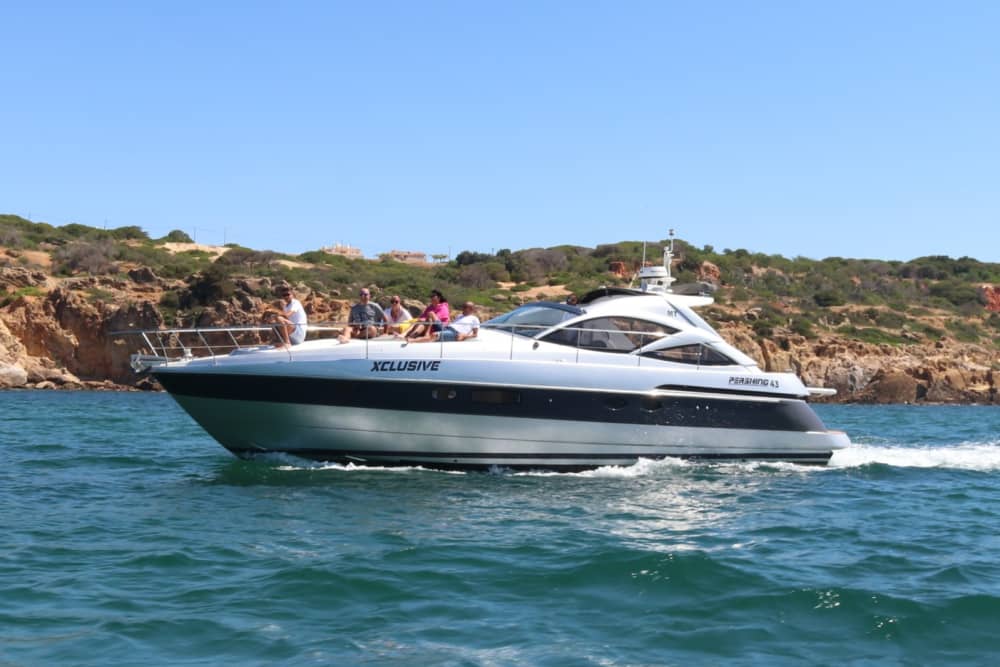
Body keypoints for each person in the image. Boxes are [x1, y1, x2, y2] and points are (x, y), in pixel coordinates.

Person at [411, 301, 479, 343]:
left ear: (471, 309)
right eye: (463, 306)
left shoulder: (474, 318)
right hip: (446, 328)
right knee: (431, 313)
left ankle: (413, 341)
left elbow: (475, 334)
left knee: (435, 335)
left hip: (455, 333)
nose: (462, 308)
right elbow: (453, 324)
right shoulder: (459, 316)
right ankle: (426, 333)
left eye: (465, 307)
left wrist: (464, 336)